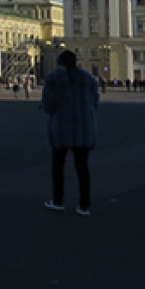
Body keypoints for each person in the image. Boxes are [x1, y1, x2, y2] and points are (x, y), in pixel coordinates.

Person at [40, 50, 99, 216]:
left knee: (58, 166)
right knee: (82, 167)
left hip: (62, 126)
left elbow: (49, 103)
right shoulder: (88, 78)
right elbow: (94, 101)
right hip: (83, 127)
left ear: (60, 62)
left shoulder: (55, 78)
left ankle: (58, 200)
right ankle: (84, 205)